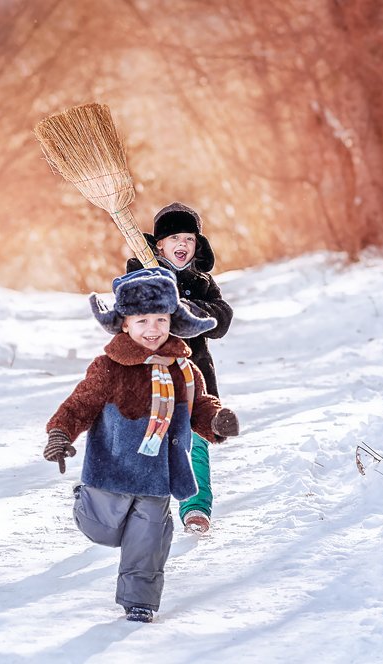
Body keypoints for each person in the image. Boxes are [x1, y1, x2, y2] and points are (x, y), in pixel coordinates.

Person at [43, 267, 240, 623]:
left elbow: (200, 407)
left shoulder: (185, 369)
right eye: (143, 320)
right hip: (111, 470)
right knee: (102, 529)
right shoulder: (108, 368)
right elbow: (79, 405)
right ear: (124, 324)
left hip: (158, 475)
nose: (152, 329)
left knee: (148, 541)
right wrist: (60, 433)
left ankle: (140, 602)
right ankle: (83, 500)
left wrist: (216, 420)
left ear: (173, 321)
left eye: (161, 319)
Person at [127, 202, 233, 534]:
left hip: (193, 379)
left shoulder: (201, 283)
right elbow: (125, 315)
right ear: (158, 245)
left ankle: (196, 507)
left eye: (189, 237)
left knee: (195, 445)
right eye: (174, 237)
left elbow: (221, 319)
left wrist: (187, 308)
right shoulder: (141, 276)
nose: (182, 244)